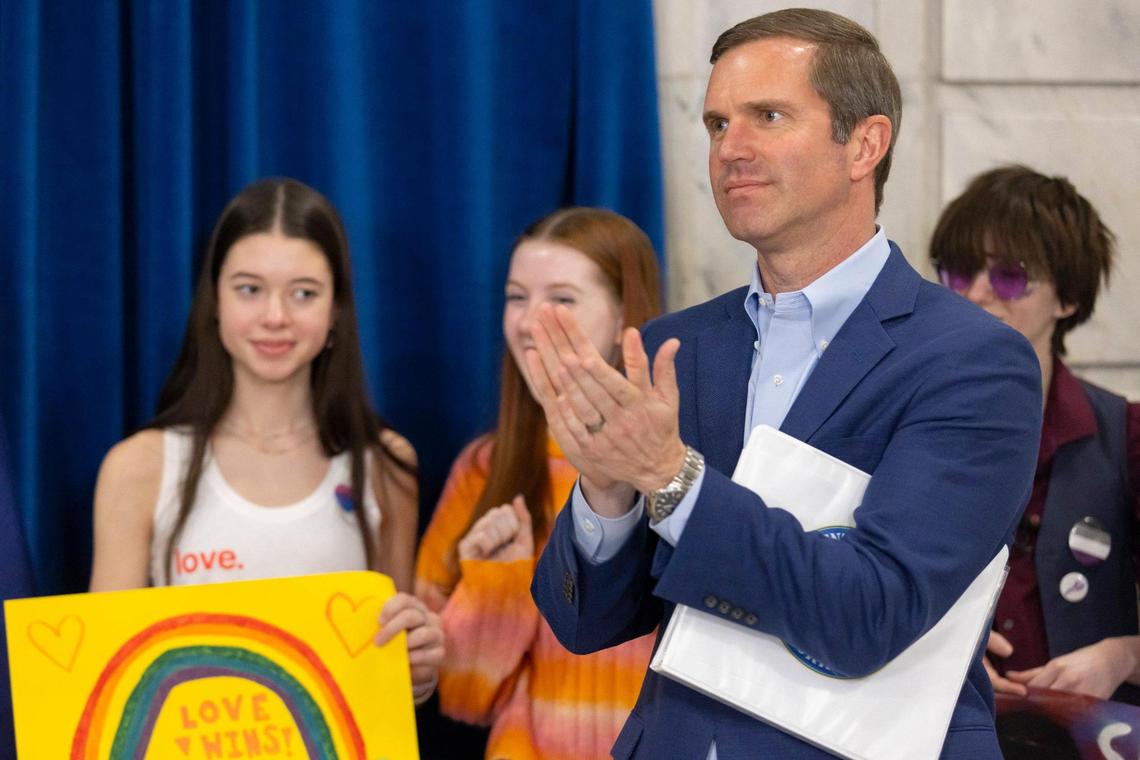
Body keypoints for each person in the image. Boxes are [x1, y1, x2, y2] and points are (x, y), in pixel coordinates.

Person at [526, 9, 1042, 759]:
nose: (731, 149)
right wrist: (606, 492)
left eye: (767, 116)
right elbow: (587, 625)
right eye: (715, 124)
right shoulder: (678, 345)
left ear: (865, 143)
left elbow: (872, 611)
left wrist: (671, 478)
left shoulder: (973, 361)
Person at [88, 177, 442, 705]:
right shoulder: (139, 467)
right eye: (249, 289)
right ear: (214, 300)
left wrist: (418, 671)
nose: (275, 317)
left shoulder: (385, 463)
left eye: (303, 293)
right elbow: (101, 682)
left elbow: (388, 677)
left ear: (336, 312)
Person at [415, 207, 662, 759]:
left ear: (625, 309)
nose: (529, 322)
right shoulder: (484, 467)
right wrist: (496, 583)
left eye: (562, 300)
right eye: (516, 297)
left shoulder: (682, 461)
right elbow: (458, 696)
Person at [931, 165, 1140, 704]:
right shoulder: (903, 422)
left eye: (1009, 276)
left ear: (1067, 298)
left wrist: (1123, 656)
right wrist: (931, 653)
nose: (976, 295)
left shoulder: (1124, 436)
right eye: (957, 272)